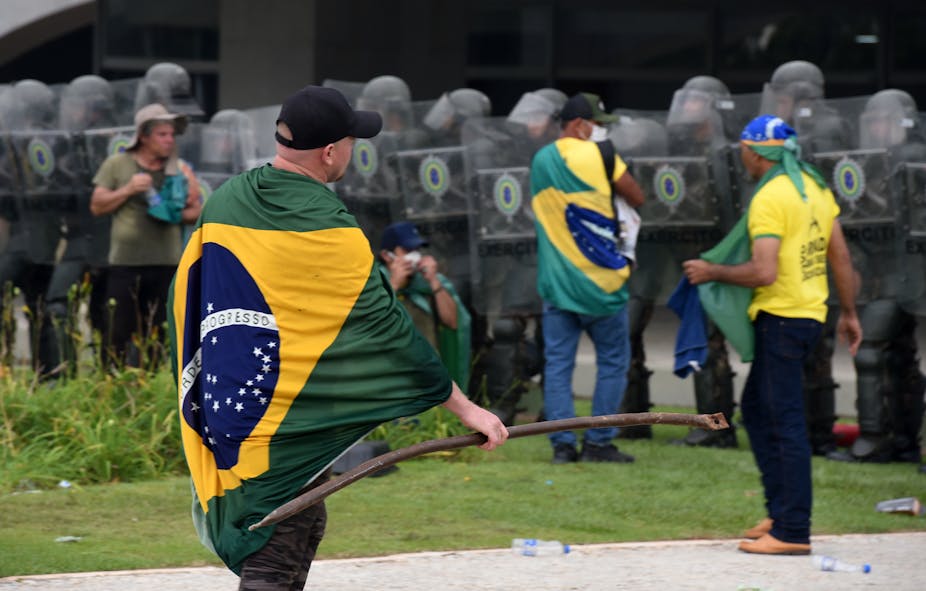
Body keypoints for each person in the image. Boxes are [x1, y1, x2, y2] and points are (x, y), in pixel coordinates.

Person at [167, 85, 507, 589]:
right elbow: (386, 329)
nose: (352, 149)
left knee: (303, 520)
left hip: (230, 403)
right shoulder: (329, 226)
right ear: (330, 152)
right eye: (351, 140)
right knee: (276, 543)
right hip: (283, 419)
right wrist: (465, 408)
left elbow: (189, 290)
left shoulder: (227, 200)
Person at [682, 115, 862, 555]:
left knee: (783, 421)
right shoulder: (815, 188)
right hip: (809, 316)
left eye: (743, 149)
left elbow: (764, 271)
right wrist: (849, 312)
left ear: (754, 152)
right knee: (759, 411)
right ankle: (780, 514)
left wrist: (712, 271)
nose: (741, 157)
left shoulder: (770, 196)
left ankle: (793, 530)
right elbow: (840, 257)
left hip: (782, 318)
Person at [530, 92, 645, 464]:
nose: (600, 131)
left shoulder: (541, 159)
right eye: (596, 124)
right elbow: (637, 196)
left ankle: (562, 446)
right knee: (612, 362)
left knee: (558, 366)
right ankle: (598, 443)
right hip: (602, 284)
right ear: (580, 124)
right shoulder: (602, 154)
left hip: (557, 284)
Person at [90, 103, 201, 367]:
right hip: (126, 263)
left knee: (159, 333)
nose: (169, 140)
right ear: (143, 136)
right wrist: (128, 190)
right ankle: (112, 381)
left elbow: (196, 211)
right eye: (162, 134)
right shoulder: (118, 164)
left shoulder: (179, 169)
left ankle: (150, 379)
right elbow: (97, 206)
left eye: (172, 134)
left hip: (166, 263)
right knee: (117, 331)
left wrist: (172, 212)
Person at [377, 220, 471, 387]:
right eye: (407, 250)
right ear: (386, 255)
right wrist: (394, 285)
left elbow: (452, 322)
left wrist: (433, 281)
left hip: (428, 375)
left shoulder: (426, 284)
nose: (415, 256)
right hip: (391, 378)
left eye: (417, 250)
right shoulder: (375, 285)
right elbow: (371, 324)